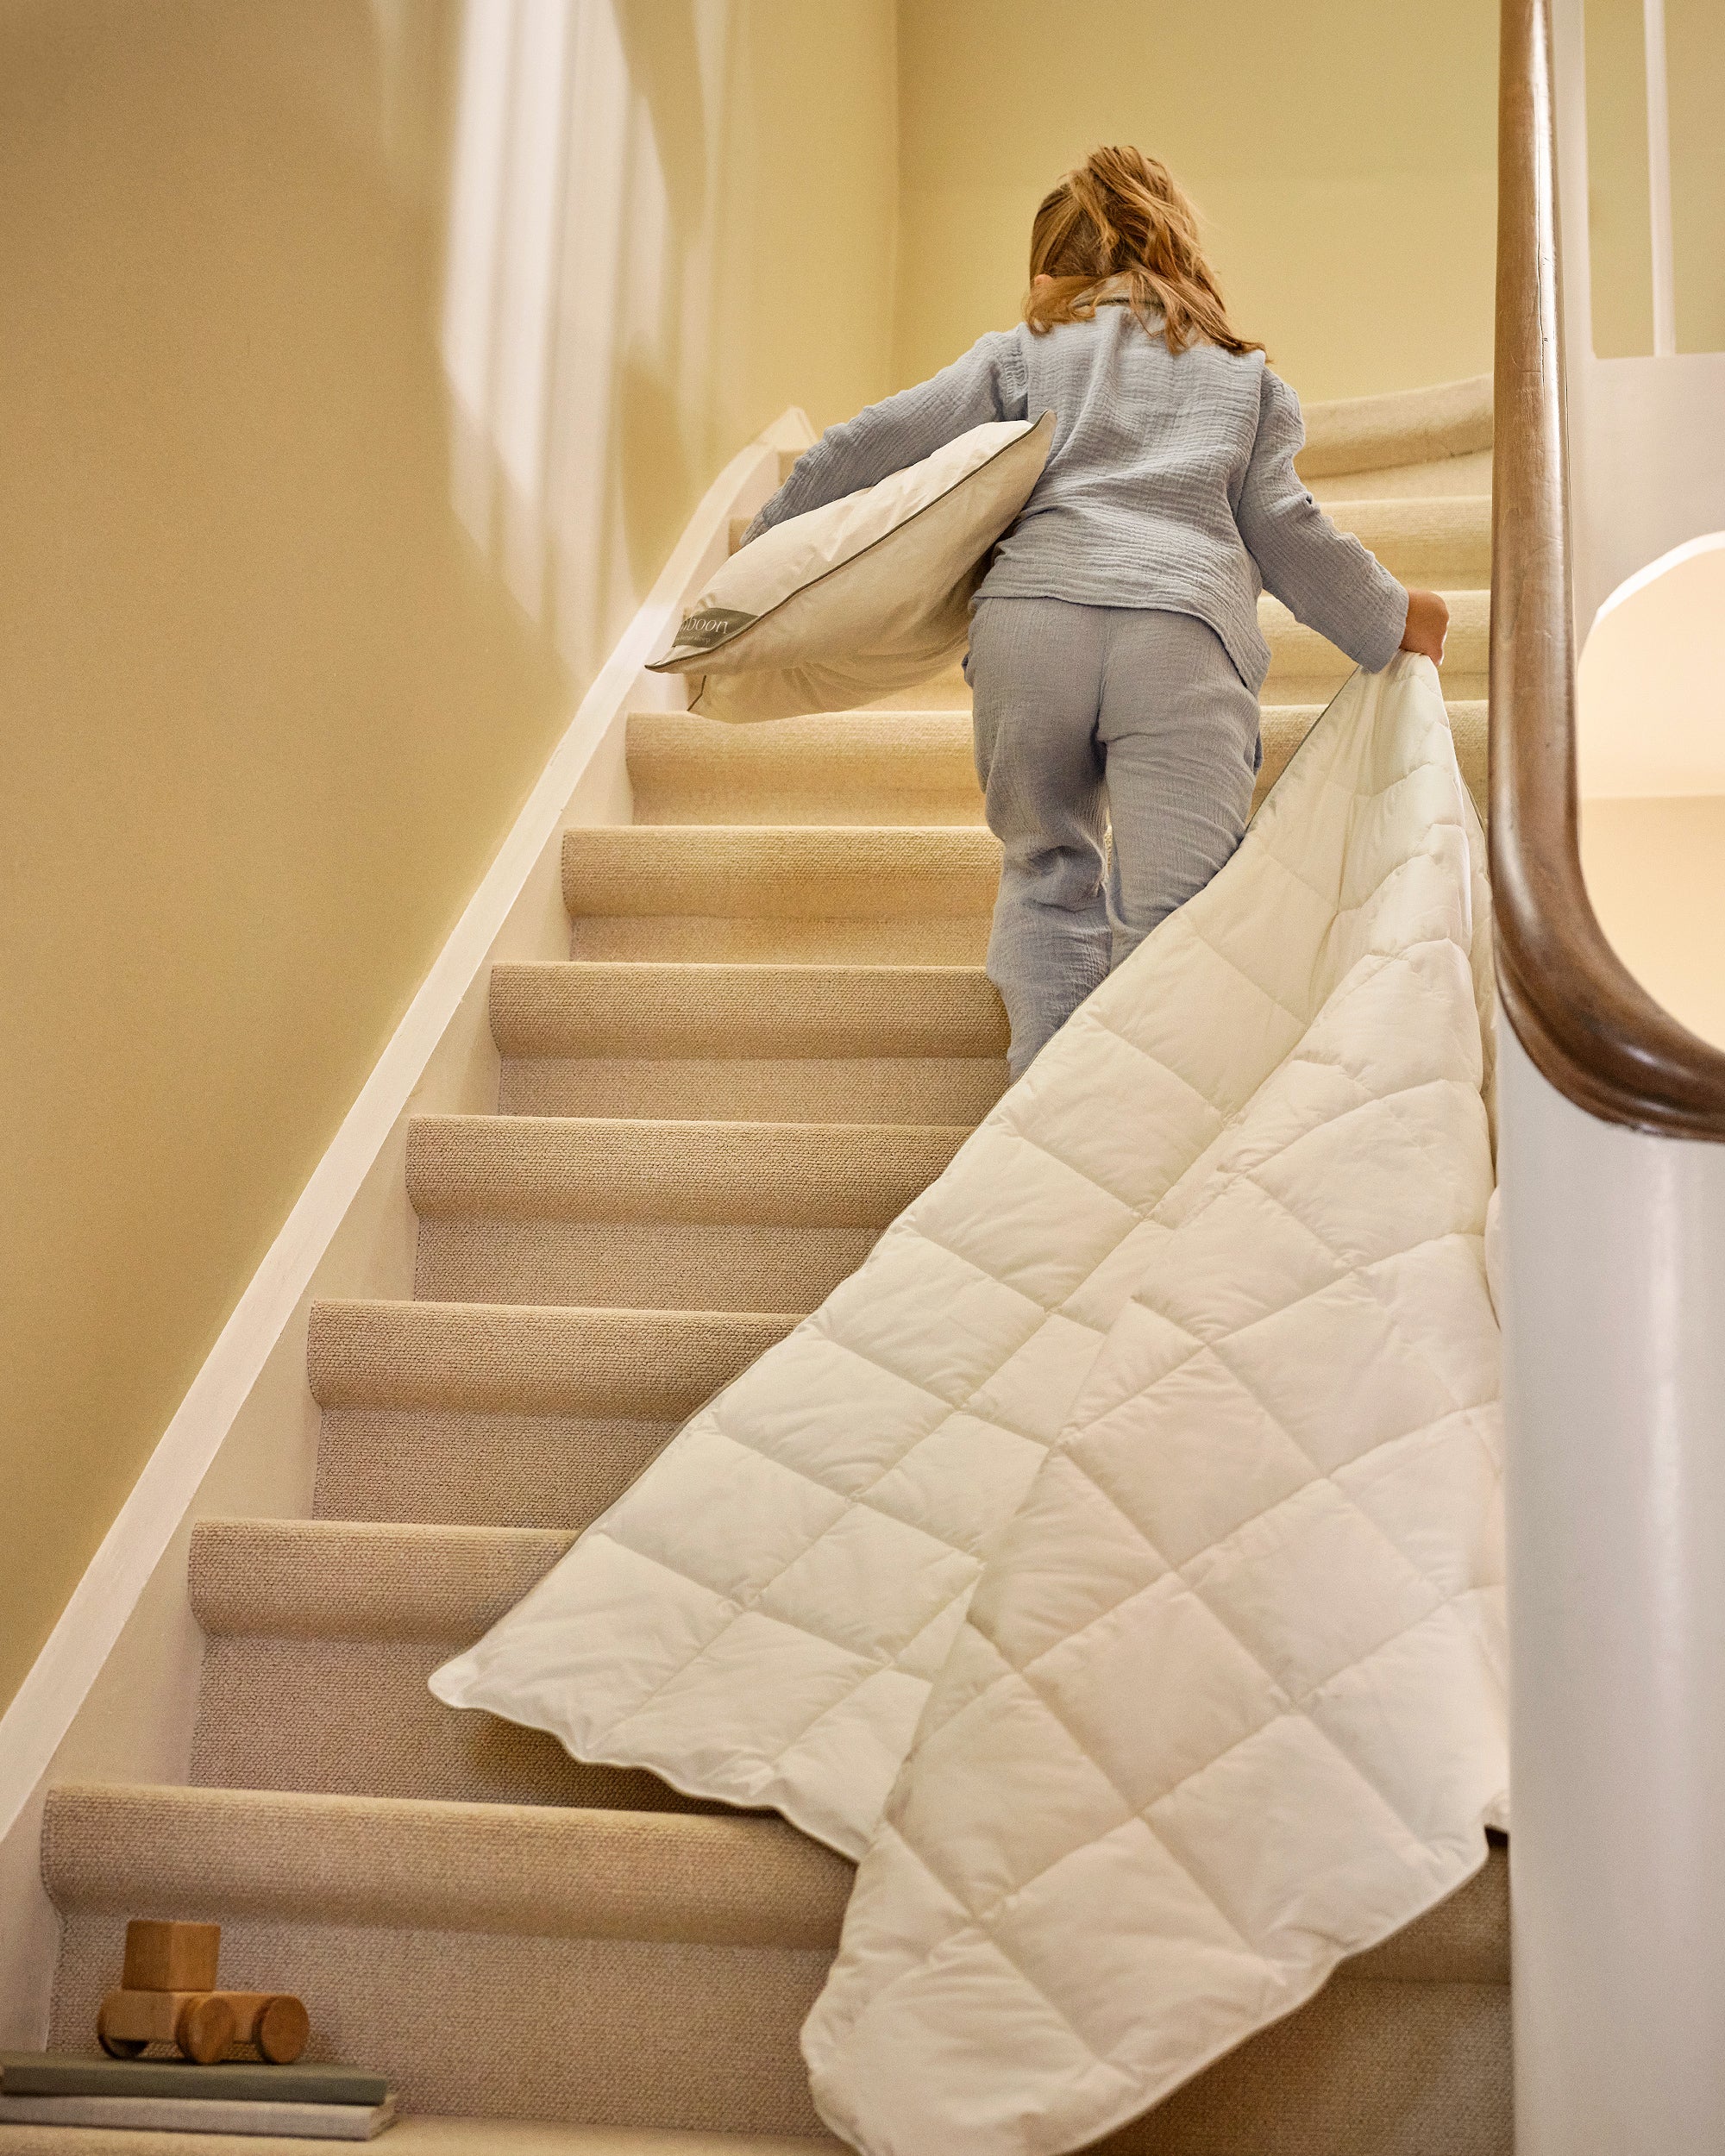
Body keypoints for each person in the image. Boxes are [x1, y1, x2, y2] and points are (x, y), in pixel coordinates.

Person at [743, 145, 1450, 1080]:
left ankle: (1041, 1102)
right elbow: (1285, 530)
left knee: (1046, 874)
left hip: (1030, 626)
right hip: (1180, 632)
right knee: (1175, 922)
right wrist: (1392, 616)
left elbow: (866, 443)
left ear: (1049, 276)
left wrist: (761, 553)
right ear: (1181, 259)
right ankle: (1138, 1124)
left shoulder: (1021, 353)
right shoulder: (1244, 381)